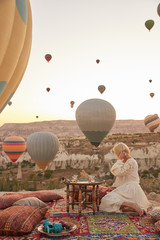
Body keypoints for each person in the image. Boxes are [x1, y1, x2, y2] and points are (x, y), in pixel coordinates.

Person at [99, 142, 151, 216]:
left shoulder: (131, 162)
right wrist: (114, 186)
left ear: (122, 152)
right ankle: (132, 207)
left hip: (130, 188)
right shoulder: (123, 162)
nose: (116, 155)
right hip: (123, 188)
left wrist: (120, 160)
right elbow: (118, 177)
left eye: (117, 153)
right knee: (107, 202)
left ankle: (133, 205)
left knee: (107, 200)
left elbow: (118, 172)